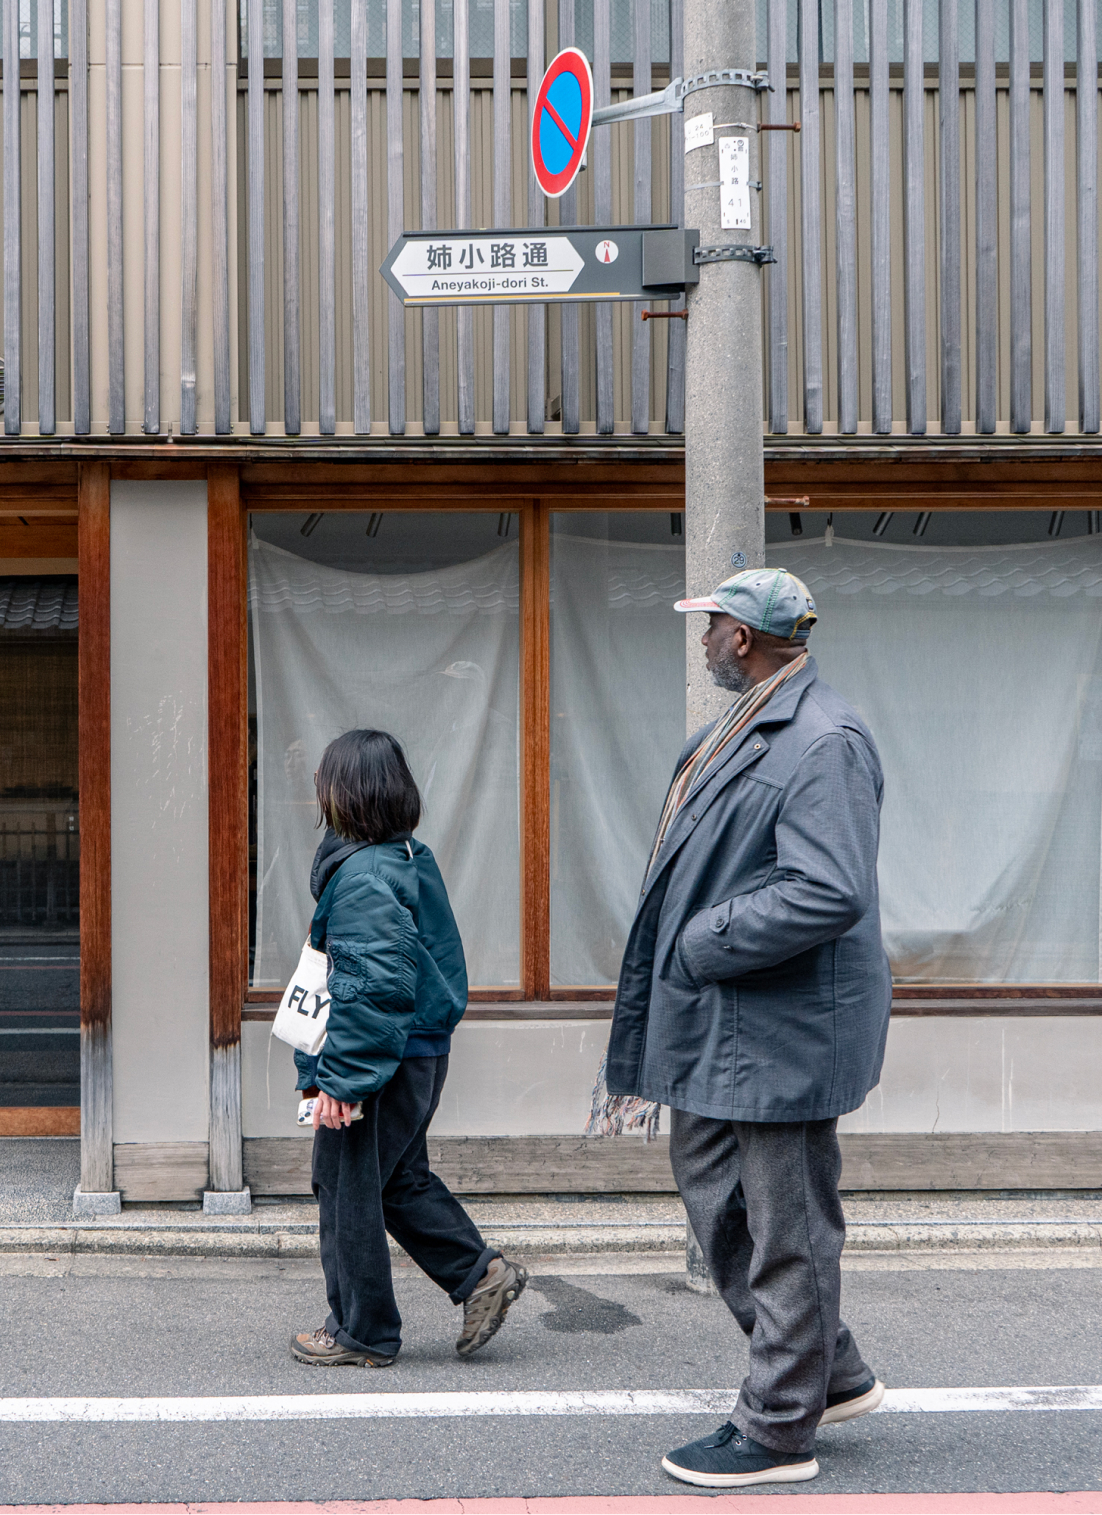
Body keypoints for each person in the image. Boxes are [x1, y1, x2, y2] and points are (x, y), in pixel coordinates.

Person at [603, 568, 892, 1489]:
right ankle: (829, 1370)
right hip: (731, 1019)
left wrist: (702, 937)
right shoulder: (748, 723)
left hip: (783, 1027)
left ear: (743, 639)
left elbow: (829, 886)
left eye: (712, 623)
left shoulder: (823, 739)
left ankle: (777, 1426)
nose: (702, 637)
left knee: (786, 1222)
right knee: (713, 1191)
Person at [290, 728, 527, 1368]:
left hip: (384, 1056)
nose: (319, 790)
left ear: (347, 792)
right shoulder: (405, 856)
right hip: (413, 1051)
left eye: (325, 780)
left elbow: (368, 990)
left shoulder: (365, 875)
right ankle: (480, 1275)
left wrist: (342, 1081)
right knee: (397, 1180)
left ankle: (361, 1333)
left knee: (346, 1186)